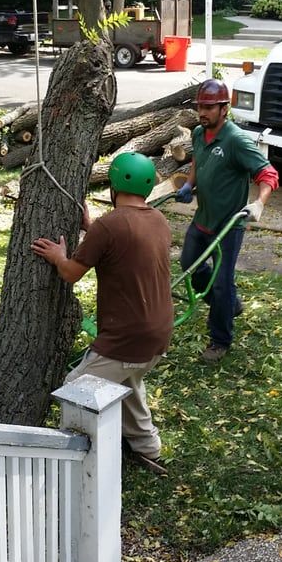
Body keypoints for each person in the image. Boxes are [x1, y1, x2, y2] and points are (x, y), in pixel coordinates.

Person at [31, 153, 173, 475]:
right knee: (129, 381)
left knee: (76, 388)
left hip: (127, 336)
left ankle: (77, 457)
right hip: (159, 334)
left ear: (113, 186)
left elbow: (70, 273)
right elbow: (126, 242)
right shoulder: (158, 220)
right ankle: (148, 448)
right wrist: (92, 228)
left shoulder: (109, 225)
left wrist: (57, 256)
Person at [175, 78, 278, 363]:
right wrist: (189, 185)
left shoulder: (236, 140)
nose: (202, 112)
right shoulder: (199, 133)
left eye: (209, 108)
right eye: (200, 107)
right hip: (203, 219)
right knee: (189, 265)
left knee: (221, 282)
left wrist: (259, 203)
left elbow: (268, 174)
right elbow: (198, 161)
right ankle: (228, 304)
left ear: (224, 109)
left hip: (228, 227)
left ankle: (220, 340)